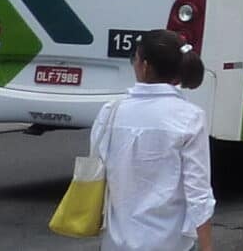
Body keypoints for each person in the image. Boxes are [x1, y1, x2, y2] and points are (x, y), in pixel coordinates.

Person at [91, 30, 215, 250]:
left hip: (117, 242)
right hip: (171, 242)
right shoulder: (190, 117)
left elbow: (98, 175)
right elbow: (199, 193)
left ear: (145, 66)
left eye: (134, 59)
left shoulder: (110, 112)